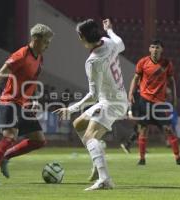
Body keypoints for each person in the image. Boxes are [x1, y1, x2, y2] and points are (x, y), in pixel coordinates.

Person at [54, 19, 127, 190]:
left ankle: (105, 179)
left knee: (89, 137)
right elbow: (121, 43)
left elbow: (93, 96)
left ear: (82, 37)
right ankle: (97, 156)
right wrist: (109, 30)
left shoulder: (93, 61)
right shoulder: (109, 42)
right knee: (78, 123)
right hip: (115, 99)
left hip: (112, 103)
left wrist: (70, 108)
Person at [0, 23, 54, 185]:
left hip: (24, 104)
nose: (48, 45)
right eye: (46, 41)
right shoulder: (21, 55)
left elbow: (30, 82)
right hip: (10, 101)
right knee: (10, 136)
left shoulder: (39, 57)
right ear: (36, 39)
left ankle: (5, 156)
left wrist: (32, 100)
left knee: (39, 140)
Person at [128, 39, 180, 165]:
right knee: (143, 129)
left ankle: (178, 158)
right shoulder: (143, 62)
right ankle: (142, 159)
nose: (155, 49)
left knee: (168, 129)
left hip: (160, 103)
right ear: (149, 49)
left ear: (162, 50)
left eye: (157, 47)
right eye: (153, 47)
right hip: (144, 100)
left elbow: (172, 81)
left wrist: (175, 97)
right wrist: (130, 93)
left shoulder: (167, 64)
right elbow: (136, 78)